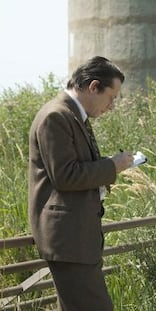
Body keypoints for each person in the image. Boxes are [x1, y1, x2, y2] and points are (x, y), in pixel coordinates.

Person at [28, 56, 134, 310]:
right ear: (94, 86)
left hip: (77, 238)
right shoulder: (56, 116)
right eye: (111, 97)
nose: (112, 107)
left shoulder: (72, 114)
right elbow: (66, 176)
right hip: (68, 240)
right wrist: (112, 166)